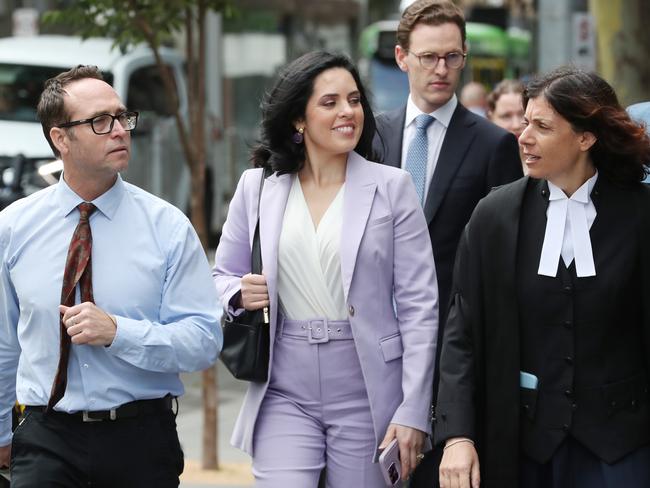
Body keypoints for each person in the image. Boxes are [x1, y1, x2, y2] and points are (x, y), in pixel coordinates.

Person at [213, 51, 438, 487]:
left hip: (367, 387)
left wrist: (413, 410)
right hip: (283, 383)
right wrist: (238, 294)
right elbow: (222, 274)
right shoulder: (257, 187)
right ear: (299, 119)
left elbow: (419, 307)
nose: (348, 112)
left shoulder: (392, 189)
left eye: (354, 100)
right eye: (330, 102)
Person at [0, 65, 222, 487]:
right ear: (60, 139)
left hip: (139, 437)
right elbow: (3, 343)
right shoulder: (12, 228)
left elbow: (204, 341)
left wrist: (119, 332)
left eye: (122, 117)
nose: (120, 130)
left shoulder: (167, 228)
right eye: (100, 121)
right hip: (45, 436)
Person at [436, 66, 650, 488]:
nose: (523, 135)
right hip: (524, 447)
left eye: (542, 126)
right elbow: (461, 335)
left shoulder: (642, 215)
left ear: (586, 137)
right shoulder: (493, 217)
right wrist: (457, 435)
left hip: (622, 447)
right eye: (525, 121)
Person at [372, 1, 522, 484]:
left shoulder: (493, 145)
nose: (442, 69)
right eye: (428, 57)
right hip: (369, 348)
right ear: (401, 57)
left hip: (450, 353)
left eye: (453, 57)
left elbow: (500, 265)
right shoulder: (372, 136)